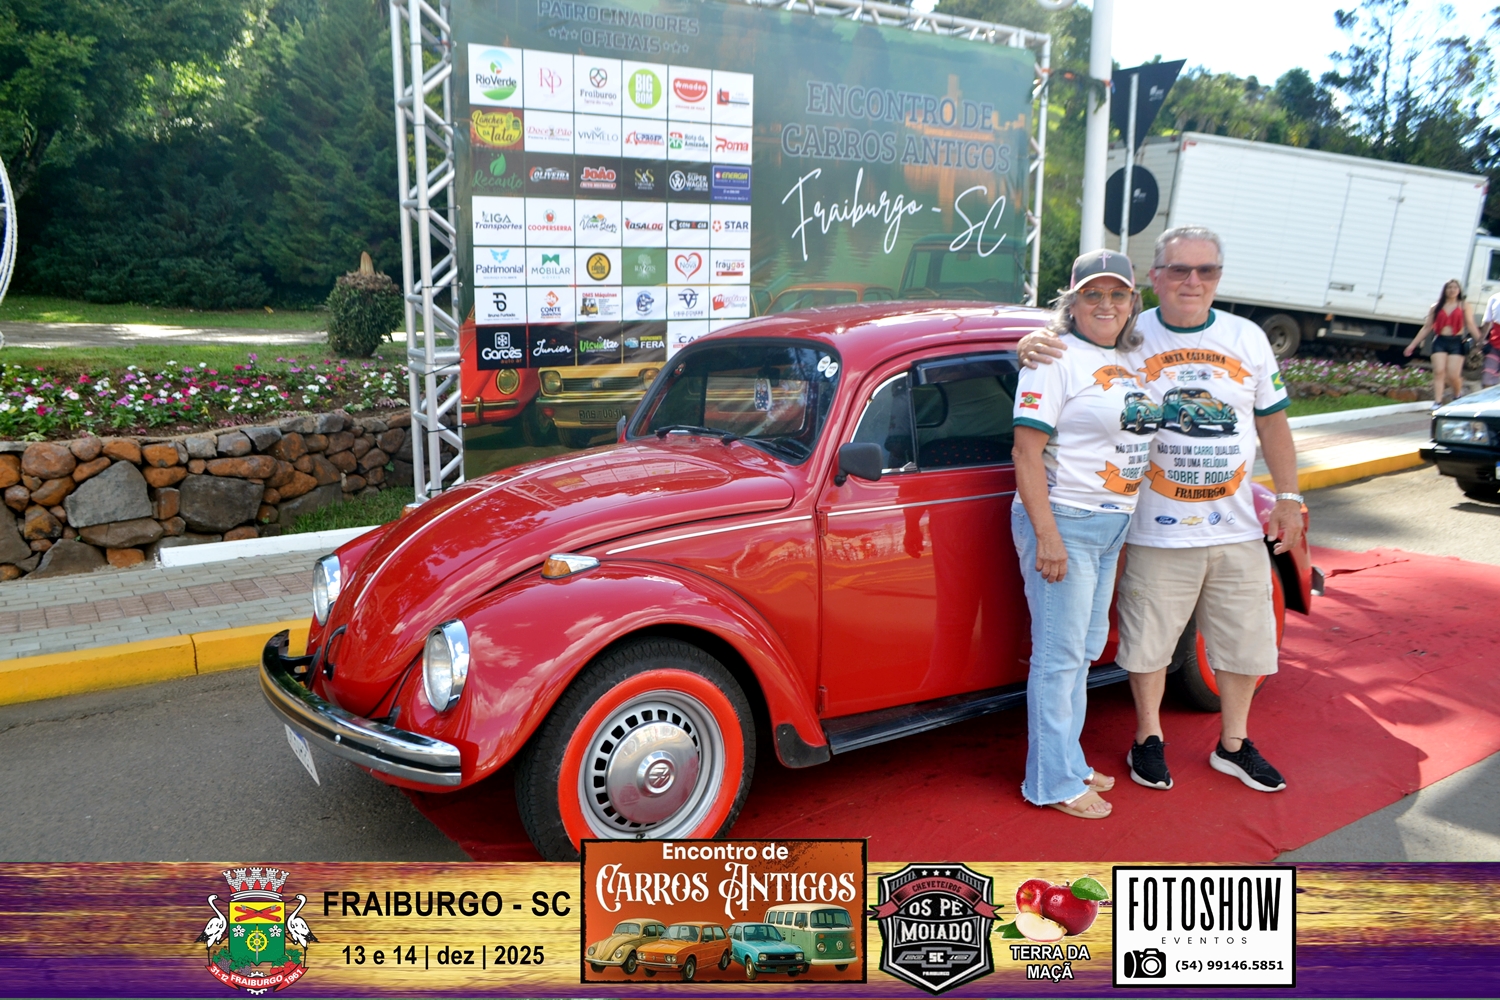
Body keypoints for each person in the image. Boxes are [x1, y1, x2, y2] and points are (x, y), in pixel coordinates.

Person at [1017, 226, 1305, 794]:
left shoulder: (1240, 337)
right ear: (1156, 277)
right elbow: (1063, 353)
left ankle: (1234, 744)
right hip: (1141, 523)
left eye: (1206, 270)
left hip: (1226, 521)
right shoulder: (1126, 335)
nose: (1192, 280)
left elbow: (1273, 422)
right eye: (1178, 269)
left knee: (1243, 638)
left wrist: (1290, 497)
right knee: (1130, 644)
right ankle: (1136, 744)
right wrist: (1030, 341)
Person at [1011, 249, 1149, 819]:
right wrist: (1048, 537)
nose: (1105, 304)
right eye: (1093, 294)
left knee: (1085, 653)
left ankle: (1069, 759)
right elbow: (1025, 452)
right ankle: (1051, 782)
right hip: (1065, 519)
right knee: (1059, 656)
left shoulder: (1131, 355)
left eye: (1117, 294)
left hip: (1112, 524)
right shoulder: (1052, 356)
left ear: (1132, 301)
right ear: (1073, 302)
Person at [1404, 279, 1480, 407]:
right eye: (1449, 287)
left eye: (1455, 287)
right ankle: (1437, 401)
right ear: (1445, 290)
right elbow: (1427, 327)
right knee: (1439, 372)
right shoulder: (1436, 307)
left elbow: (1471, 325)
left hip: (1456, 342)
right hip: (1440, 341)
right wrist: (1412, 345)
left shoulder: (1464, 305)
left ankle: (1457, 395)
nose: (1452, 290)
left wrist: (1481, 342)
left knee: (1453, 375)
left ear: (1459, 290)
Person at [1478, 287, 1500, 389]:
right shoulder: (1495, 298)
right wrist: (1480, 342)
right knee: (1487, 377)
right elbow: (1487, 322)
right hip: (1494, 345)